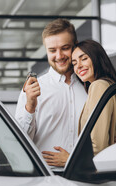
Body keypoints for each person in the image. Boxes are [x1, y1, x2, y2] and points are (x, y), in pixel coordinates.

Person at [43, 40, 116, 167]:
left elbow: (98, 147)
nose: (78, 66)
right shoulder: (114, 87)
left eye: (83, 59)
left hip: (100, 172)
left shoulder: (98, 86)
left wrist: (70, 160)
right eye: (74, 63)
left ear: (97, 59)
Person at [15, 19, 87, 166]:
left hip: (84, 174)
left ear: (75, 46)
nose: (59, 56)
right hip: (45, 179)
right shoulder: (32, 89)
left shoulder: (90, 87)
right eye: (52, 50)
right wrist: (30, 106)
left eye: (65, 48)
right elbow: (19, 142)